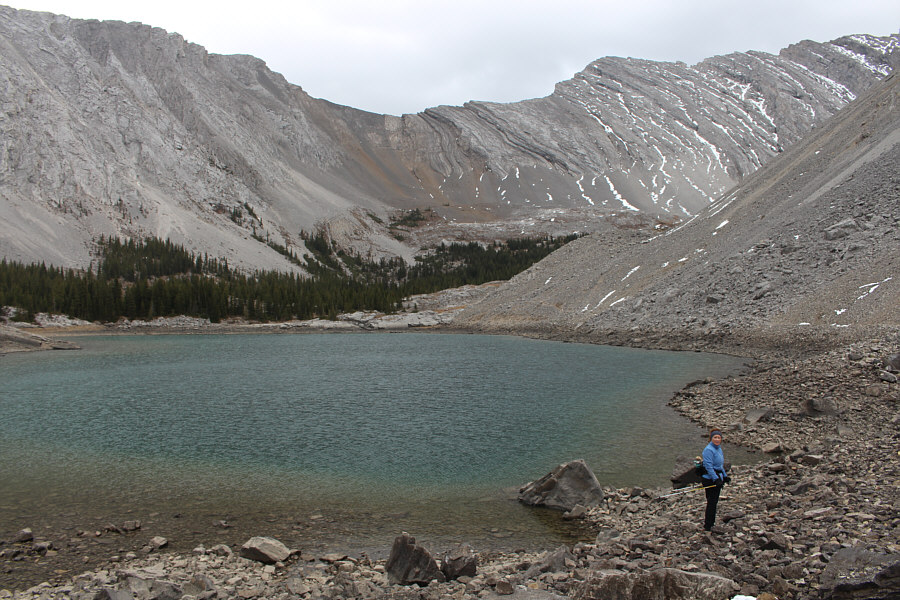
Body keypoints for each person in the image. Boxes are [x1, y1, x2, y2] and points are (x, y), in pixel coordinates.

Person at [701, 429, 730, 531]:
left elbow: (720, 465)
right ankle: (708, 525)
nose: (717, 439)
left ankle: (711, 523)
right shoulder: (708, 450)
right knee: (711, 502)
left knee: (714, 502)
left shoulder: (718, 448)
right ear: (711, 438)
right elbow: (708, 467)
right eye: (715, 437)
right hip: (709, 479)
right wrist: (716, 479)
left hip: (717, 476)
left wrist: (725, 476)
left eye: (719, 437)